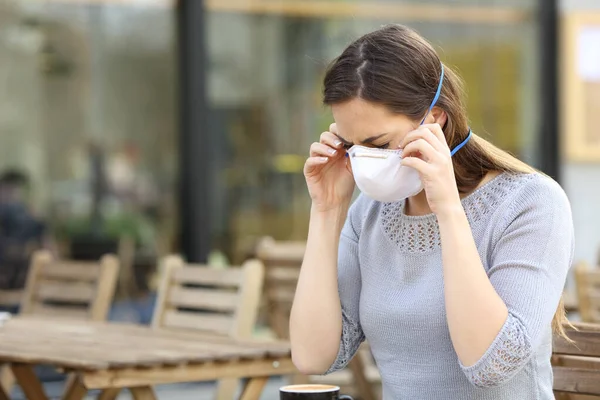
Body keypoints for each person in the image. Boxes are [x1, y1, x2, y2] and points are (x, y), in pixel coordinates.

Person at [290, 24, 573, 400]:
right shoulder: (368, 214)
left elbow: (491, 365)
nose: (365, 160)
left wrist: (447, 209)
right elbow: (313, 357)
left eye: (380, 144)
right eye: (351, 145)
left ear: (435, 118)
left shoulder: (531, 203)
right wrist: (327, 210)